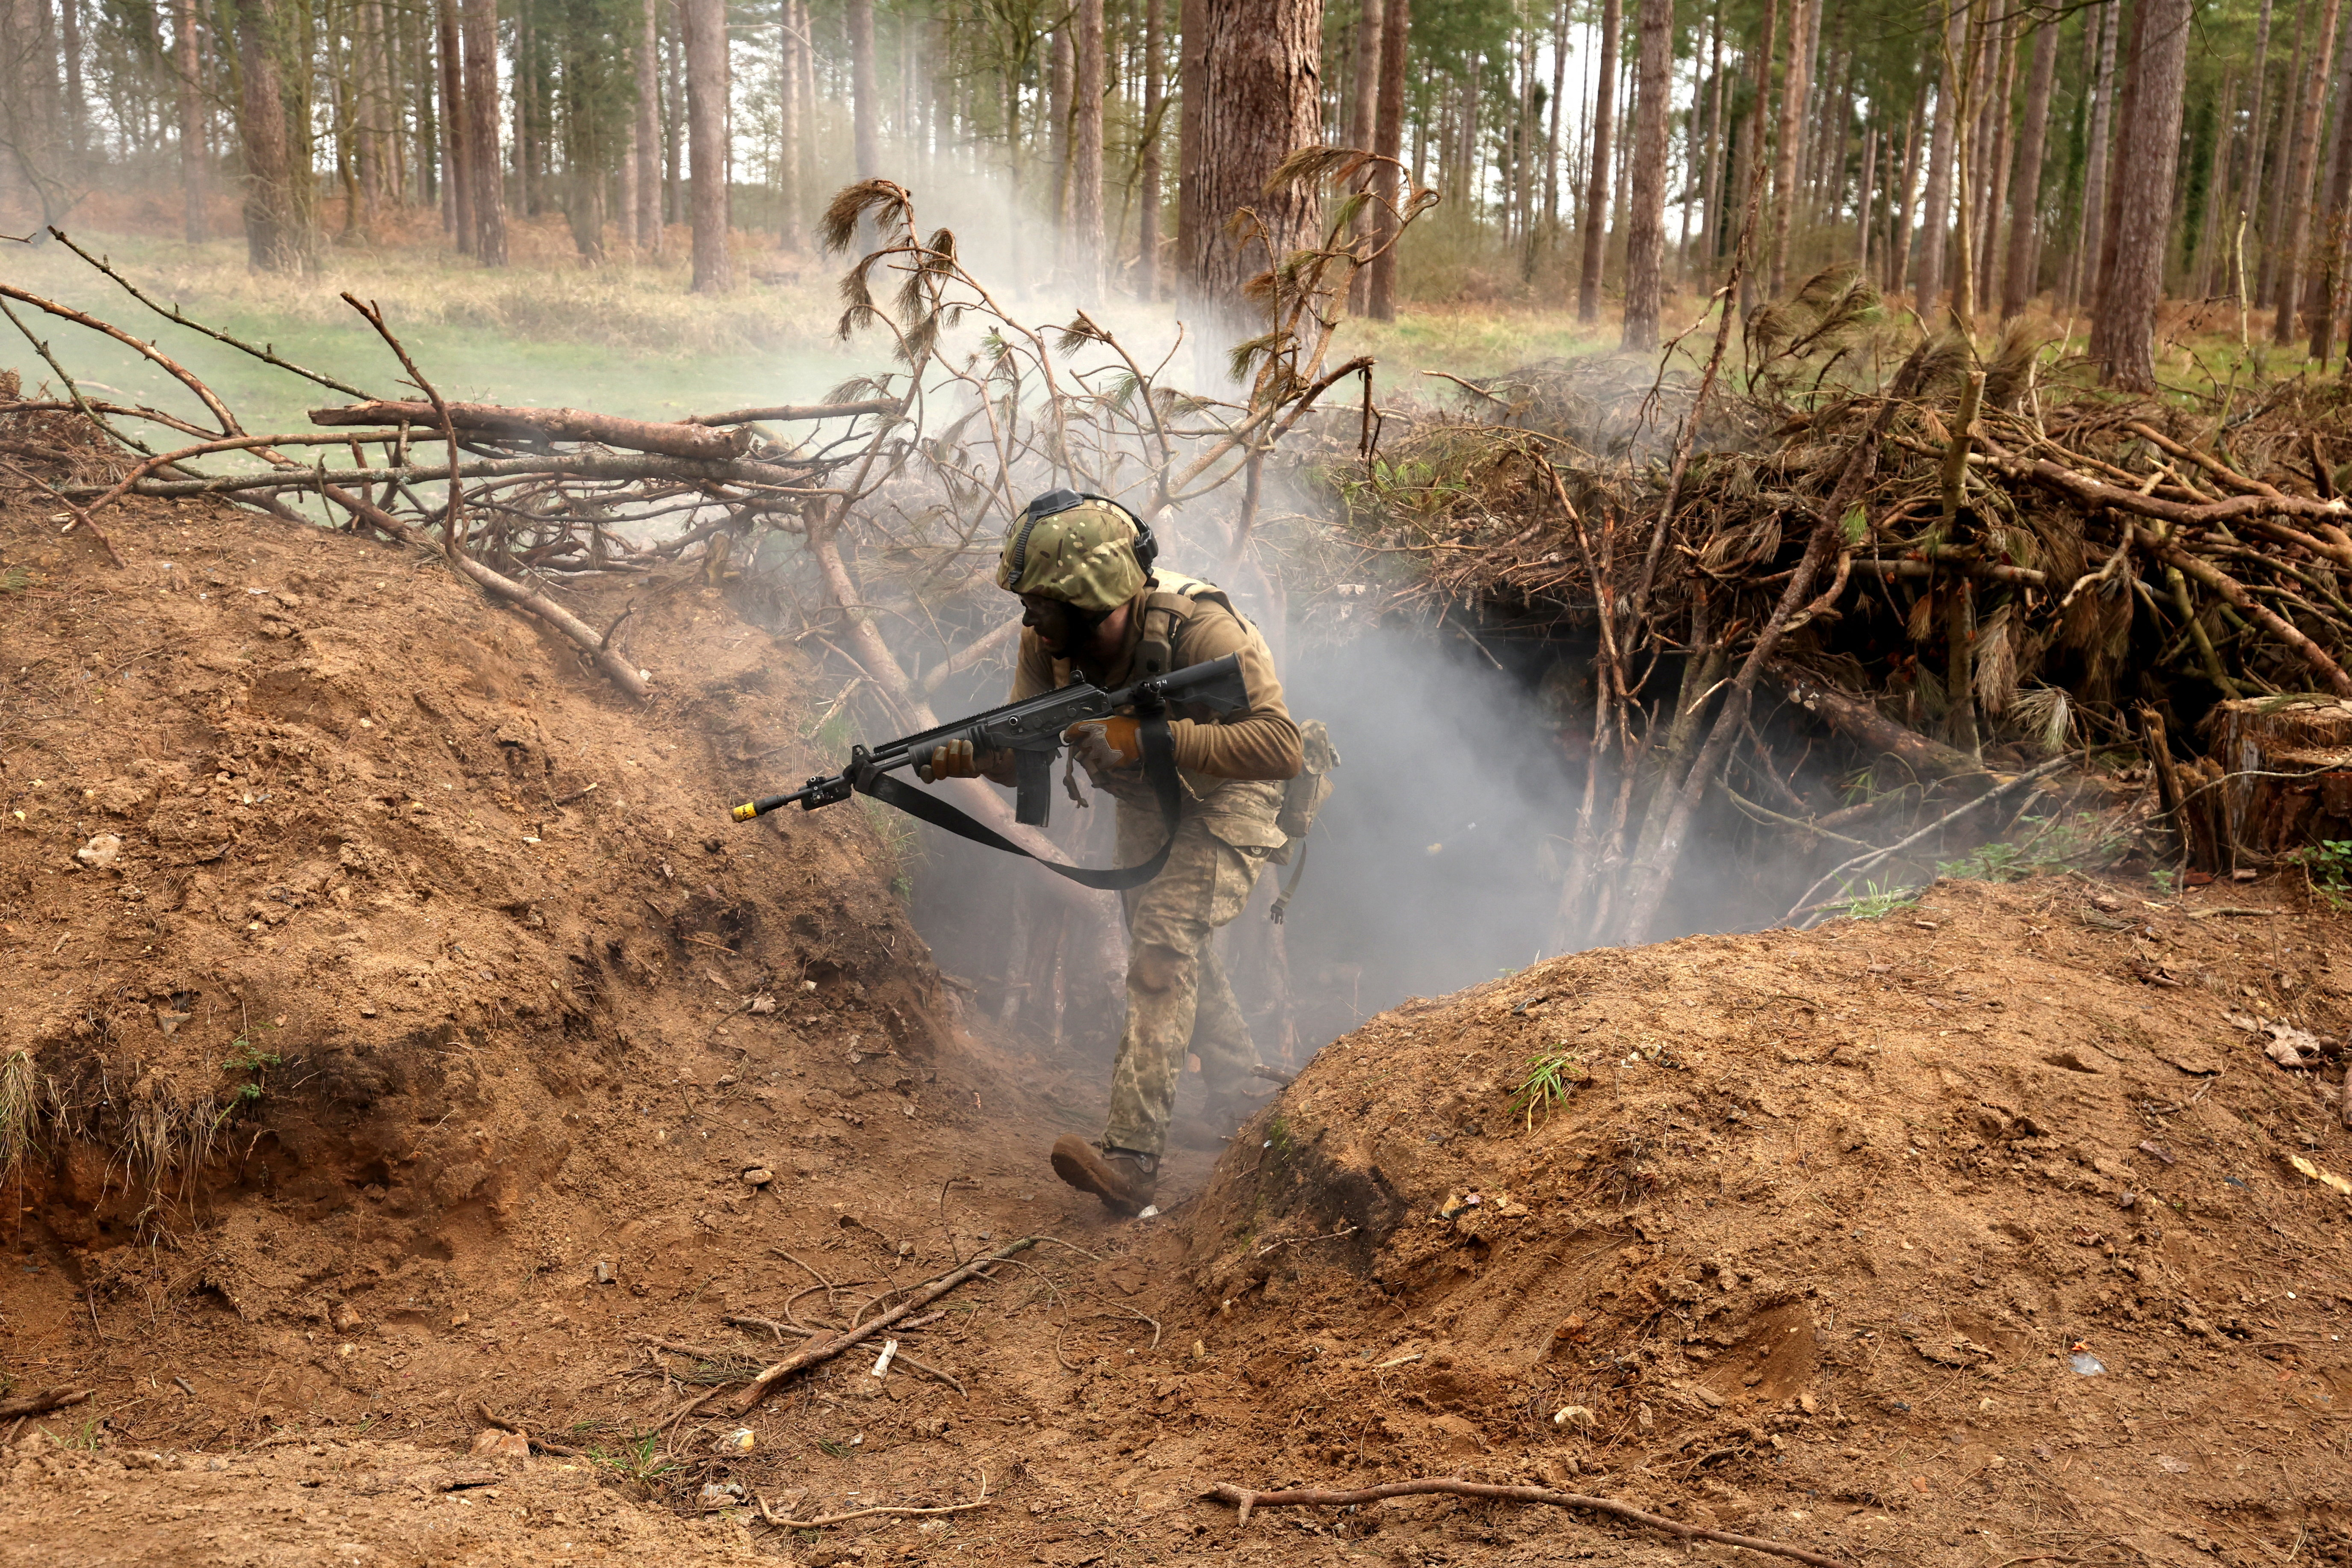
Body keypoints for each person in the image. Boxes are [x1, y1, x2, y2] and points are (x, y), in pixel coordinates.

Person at [919, 490, 1302, 1216]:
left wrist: (1152, 738)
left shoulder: (1204, 632)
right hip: (1149, 802)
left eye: (1042, 602)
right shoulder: (1048, 646)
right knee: (1173, 939)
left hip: (1231, 794)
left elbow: (1280, 748)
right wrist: (970, 759)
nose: (1028, 618)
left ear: (1090, 596)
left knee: (1160, 949)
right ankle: (1240, 1094)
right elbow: (1022, 757)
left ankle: (1132, 1160)